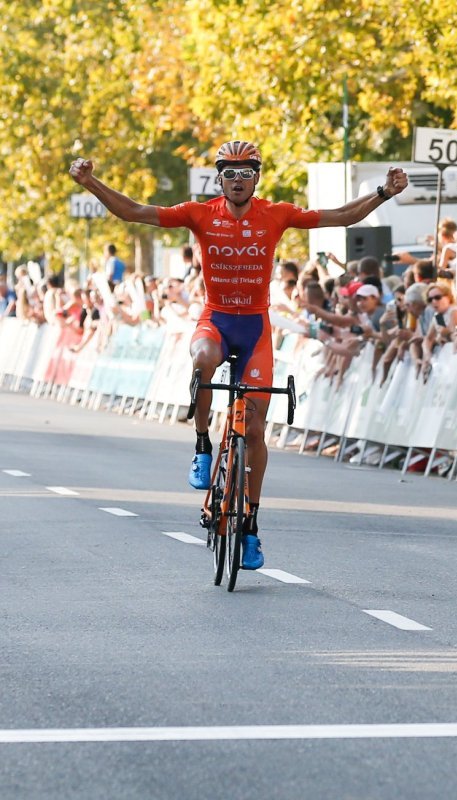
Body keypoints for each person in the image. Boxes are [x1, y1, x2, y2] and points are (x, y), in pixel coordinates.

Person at [69, 140, 408, 570]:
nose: (236, 180)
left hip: (255, 329)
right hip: (216, 320)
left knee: (253, 432)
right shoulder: (199, 213)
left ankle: (249, 525)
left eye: (245, 171)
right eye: (228, 172)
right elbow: (136, 211)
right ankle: (202, 445)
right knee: (204, 359)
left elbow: (340, 217)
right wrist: (91, 183)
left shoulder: (277, 213)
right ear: (219, 178)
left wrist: (383, 193)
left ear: (257, 176)